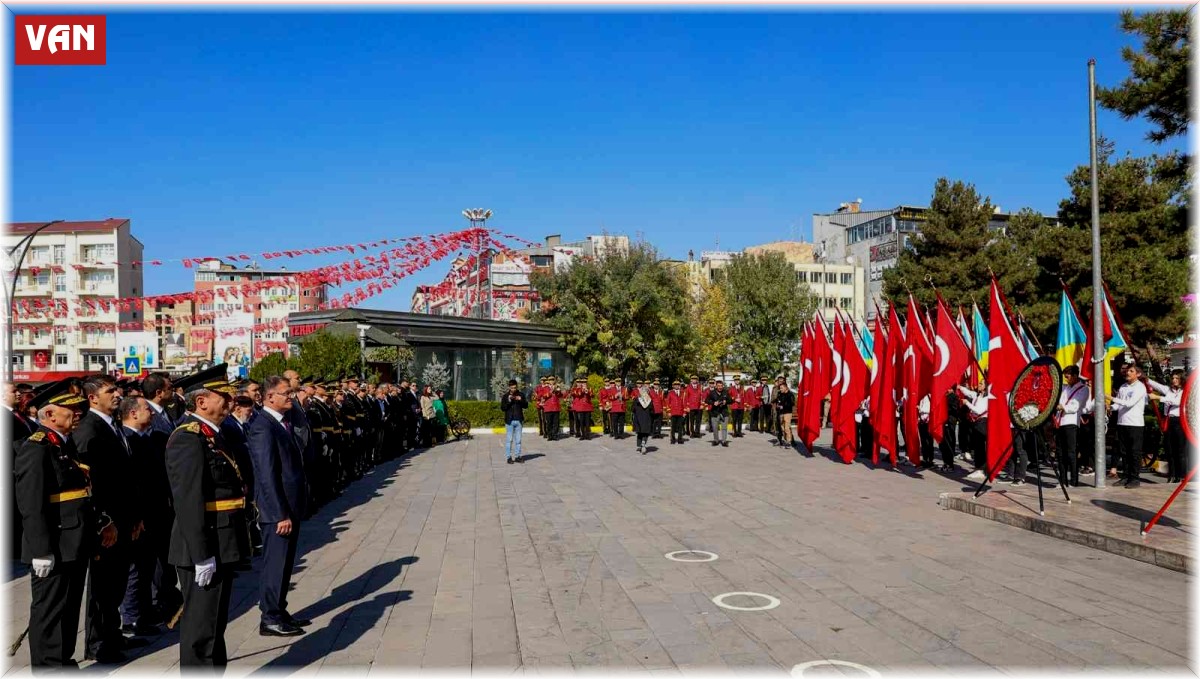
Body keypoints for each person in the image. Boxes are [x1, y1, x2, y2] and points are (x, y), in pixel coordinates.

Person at [16, 381, 115, 671]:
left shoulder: (64, 444)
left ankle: (63, 660)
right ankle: (48, 668)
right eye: (70, 409)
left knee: (69, 608)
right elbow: (31, 504)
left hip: (75, 541)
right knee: (49, 610)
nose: (77, 413)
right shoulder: (36, 448)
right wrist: (41, 550)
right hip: (55, 543)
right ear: (49, 415)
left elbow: (81, 492)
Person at [165, 365, 251, 667]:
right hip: (205, 543)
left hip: (222, 538)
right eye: (223, 396)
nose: (231, 401)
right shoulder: (188, 438)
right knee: (201, 629)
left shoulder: (213, 434)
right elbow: (189, 501)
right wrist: (201, 554)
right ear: (201, 401)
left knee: (214, 625)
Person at [73, 375, 146, 664]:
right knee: (103, 587)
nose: (117, 395)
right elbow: (91, 484)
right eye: (110, 391)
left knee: (116, 584)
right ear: (92, 398)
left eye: (116, 390)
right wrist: (104, 522)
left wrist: (135, 517)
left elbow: (127, 476)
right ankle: (99, 643)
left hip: (124, 518)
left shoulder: (112, 424)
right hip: (107, 523)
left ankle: (113, 636)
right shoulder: (89, 429)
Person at [245, 375, 311, 638]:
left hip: (289, 506)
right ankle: (270, 617)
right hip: (277, 511)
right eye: (286, 393)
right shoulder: (262, 426)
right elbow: (267, 474)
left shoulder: (281, 421)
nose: (291, 397)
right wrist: (279, 513)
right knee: (275, 563)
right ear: (270, 397)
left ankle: (279, 610)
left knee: (285, 563)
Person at [1109, 364, 1148, 488]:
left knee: (1134, 452)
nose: (1128, 373)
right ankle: (1125, 476)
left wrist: (1111, 398)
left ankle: (1134, 478)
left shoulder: (1140, 387)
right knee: (1124, 451)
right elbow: (1119, 405)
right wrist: (1110, 407)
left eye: (1131, 371)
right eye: (1127, 371)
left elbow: (1129, 403)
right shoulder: (1123, 387)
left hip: (1135, 424)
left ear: (1138, 374)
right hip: (1122, 422)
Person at [1148, 369, 1186, 482]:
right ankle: (1172, 474)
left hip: (1179, 421)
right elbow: (1156, 385)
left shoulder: (1184, 391)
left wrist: (1158, 398)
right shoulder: (1168, 390)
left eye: (1177, 378)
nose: (1174, 380)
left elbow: (1177, 402)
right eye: (1173, 378)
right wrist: (1145, 378)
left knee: (1179, 450)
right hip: (1168, 421)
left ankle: (1180, 475)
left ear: (1181, 379)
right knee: (1169, 449)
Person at [1054, 366, 1089, 488]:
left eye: (1068, 376)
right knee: (1060, 453)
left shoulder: (1083, 389)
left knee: (1071, 452)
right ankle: (1063, 480)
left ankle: (1074, 481)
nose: (1066, 379)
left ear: (1075, 376)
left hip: (1071, 423)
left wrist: (1063, 407)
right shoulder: (1064, 388)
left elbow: (1075, 406)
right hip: (1060, 422)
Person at [959, 384, 990, 481]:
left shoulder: (986, 398)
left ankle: (981, 469)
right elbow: (968, 392)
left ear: (985, 387)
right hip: (975, 422)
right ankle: (978, 467)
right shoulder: (977, 395)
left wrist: (967, 403)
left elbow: (979, 410)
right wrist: (960, 387)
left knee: (980, 446)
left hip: (982, 422)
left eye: (981, 384)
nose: (978, 385)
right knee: (976, 446)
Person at [500, 380, 527, 464]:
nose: (513, 389)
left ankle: (517, 456)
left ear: (516, 387)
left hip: (519, 420)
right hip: (509, 421)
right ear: (509, 387)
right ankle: (508, 457)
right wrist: (509, 401)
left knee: (518, 440)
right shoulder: (505, 396)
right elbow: (503, 408)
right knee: (509, 440)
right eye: (511, 388)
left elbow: (526, 406)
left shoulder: (521, 394)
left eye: (515, 388)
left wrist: (520, 400)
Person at [631, 380, 654, 455]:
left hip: (638, 418)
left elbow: (633, 409)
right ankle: (643, 442)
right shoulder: (649, 400)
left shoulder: (637, 399)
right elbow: (652, 410)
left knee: (640, 432)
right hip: (647, 419)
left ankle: (640, 444)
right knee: (646, 432)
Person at [706, 381, 731, 448]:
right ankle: (716, 440)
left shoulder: (726, 392)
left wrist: (726, 402)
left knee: (724, 428)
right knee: (715, 428)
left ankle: (724, 441)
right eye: (718, 386)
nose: (720, 387)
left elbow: (731, 400)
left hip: (724, 412)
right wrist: (713, 403)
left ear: (723, 386)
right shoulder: (712, 393)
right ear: (716, 386)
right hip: (714, 413)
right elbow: (706, 400)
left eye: (721, 386)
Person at [773, 381, 796, 448]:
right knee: (782, 428)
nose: (780, 389)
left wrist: (783, 406)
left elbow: (792, 403)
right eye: (780, 388)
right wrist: (776, 404)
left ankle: (789, 441)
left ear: (786, 388)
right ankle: (786, 441)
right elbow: (778, 401)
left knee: (786, 428)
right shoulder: (780, 394)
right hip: (781, 413)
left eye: (782, 388)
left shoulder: (790, 394)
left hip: (787, 413)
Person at [666, 381, 688, 445]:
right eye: (675, 385)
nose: (676, 386)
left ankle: (680, 439)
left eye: (678, 385)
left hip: (680, 412)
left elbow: (685, 403)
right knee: (673, 427)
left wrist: (684, 412)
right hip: (673, 412)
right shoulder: (670, 393)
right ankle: (672, 439)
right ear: (673, 386)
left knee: (680, 427)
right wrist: (669, 411)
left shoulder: (683, 393)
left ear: (679, 386)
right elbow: (668, 402)